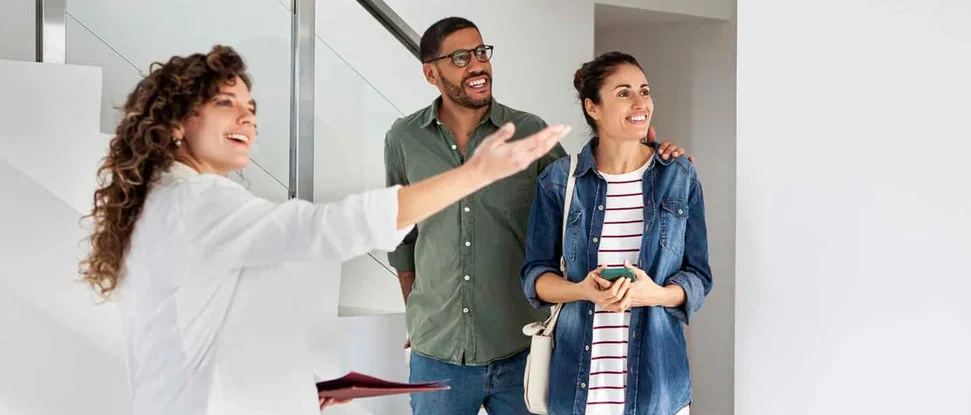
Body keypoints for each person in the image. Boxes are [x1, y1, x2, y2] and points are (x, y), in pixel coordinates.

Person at [78, 45, 568, 415]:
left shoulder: (165, 200)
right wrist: (474, 175)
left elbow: (205, 324)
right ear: (177, 123)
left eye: (251, 106)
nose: (247, 117)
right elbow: (327, 228)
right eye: (227, 103)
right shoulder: (198, 201)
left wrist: (296, 384)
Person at [383, 17, 690, 415]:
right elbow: (401, 238)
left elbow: (587, 190)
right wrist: (416, 315)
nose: (477, 64)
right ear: (431, 72)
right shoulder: (404, 139)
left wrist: (651, 151)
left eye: (481, 52)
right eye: (460, 57)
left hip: (522, 349)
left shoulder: (529, 132)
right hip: (437, 353)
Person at [520, 51, 713, 415]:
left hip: (658, 390)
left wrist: (652, 294)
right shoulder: (560, 181)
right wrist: (582, 290)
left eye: (645, 90)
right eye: (624, 93)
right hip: (577, 388)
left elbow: (699, 277)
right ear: (593, 108)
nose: (641, 102)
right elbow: (535, 276)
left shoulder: (679, 176)